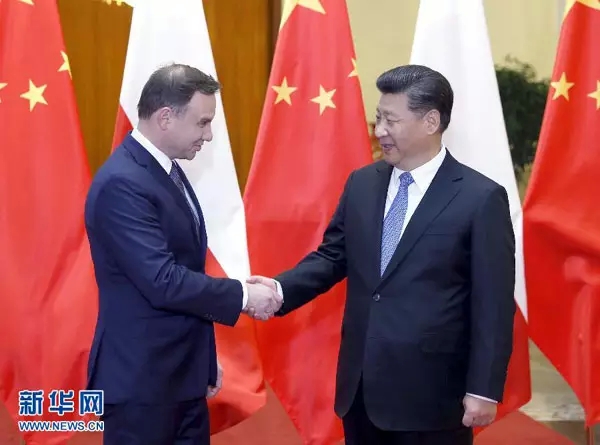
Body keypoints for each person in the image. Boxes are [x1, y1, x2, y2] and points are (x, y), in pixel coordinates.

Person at [248, 64, 516, 445]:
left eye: (391, 120)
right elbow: (331, 257)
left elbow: (493, 305)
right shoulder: (362, 184)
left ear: (430, 121)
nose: (380, 131)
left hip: (433, 397)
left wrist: (484, 388)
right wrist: (278, 289)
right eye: (378, 117)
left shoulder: (480, 198)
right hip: (360, 391)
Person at [84, 63, 281, 445]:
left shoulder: (164, 171)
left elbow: (185, 267)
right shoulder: (122, 183)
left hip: (180, 377)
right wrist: (244, 295)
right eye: (202, 123)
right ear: (165, 118)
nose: (209, 135)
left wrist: (202, 359)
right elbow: (163, 281)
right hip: (142, 386)